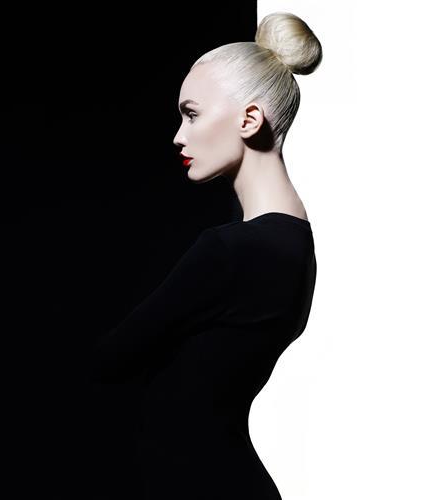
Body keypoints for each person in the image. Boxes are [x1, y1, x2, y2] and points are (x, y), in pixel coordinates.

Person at [90, 11, 322, 499]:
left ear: (249, 119)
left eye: (191, 114)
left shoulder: (232, 251)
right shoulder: (297, 248)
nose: (179, 135)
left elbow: (110, 361)